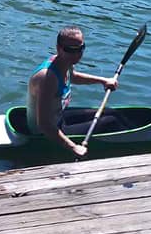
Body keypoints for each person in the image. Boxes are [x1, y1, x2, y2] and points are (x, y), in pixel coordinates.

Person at [26, 26, 119, 158]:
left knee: (111, 112)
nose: (76, 54)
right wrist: (73, 147)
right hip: (44, 133)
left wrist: (103, 81)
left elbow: (73, 76)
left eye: (80, 49)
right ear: (58, 48)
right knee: (111, 121)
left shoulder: (64, 61)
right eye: (70, 50)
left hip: (59, 117)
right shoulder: (47, 78)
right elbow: (44, 125)